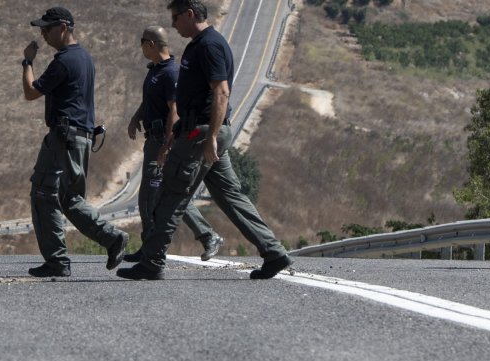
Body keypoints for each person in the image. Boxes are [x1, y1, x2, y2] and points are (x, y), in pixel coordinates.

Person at [117, 0, 291, 280]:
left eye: (175, 18)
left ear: (189, 14)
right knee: (230, 196)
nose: (173, 24)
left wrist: (209, 137)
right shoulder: (199, 45)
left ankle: (152, 262)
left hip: (202, 134)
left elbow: (221, 92)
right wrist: (176, 135)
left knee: (170, 195)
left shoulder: (209, 45)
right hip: (199, 132)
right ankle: (274, 252)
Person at [22, 7, 128, 277]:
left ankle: (104, 241)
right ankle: (65, 258)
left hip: (64, 137)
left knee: (47, 195)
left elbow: (31, 92)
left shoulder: (65, 60)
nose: (43, 34)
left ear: (63, 28)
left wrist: (27, 62)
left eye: (47, 28)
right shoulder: (83, 58)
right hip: (76, 137)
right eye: (41, 29)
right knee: (66, 198)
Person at [124, 25, 223, 263]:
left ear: (151, 44)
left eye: (142, 42)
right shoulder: (156, 71)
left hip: (162, 139)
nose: (140, 47)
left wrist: (166, 145)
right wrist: (137, 117)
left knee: (151, 196)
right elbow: (151, 101)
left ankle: (156, 247)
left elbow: (174, 110)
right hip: (153, 137)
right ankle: (205, 236)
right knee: (166, 195)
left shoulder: (170, 73)